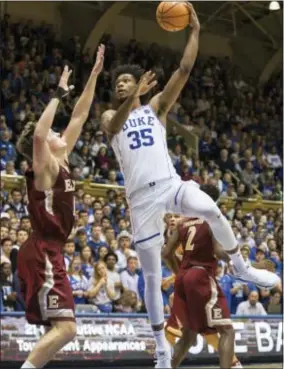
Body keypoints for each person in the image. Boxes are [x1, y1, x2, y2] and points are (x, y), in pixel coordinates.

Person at [101, 3, 279, 366]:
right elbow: (114, 126)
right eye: (117, 83)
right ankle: (160, 351)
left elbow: (184, 69)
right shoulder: (110, 115)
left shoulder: (156, 108)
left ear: (138, 84)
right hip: (141, 201)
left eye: (126, 80)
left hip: (169, 184)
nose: (120, 84)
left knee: (211, 209)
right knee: (151, 277)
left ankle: (242, 268)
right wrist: (132, 99)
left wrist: (195, 32)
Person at [15, 45, 105, 369]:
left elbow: (80, 114)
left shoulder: (61, 159)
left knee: (62, 327)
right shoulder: (44, 168)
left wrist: (94, 76)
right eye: (56, 132)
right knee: (66, 328)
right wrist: (58, 92)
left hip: (49, 250)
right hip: (42, 250)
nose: (58, 133)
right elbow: (39, 135)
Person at [162, 184, 241, 368]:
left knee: (189, 334)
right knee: (227, 330)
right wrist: (237, 258)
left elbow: (166, 253)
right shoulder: (211, 218)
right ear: (214, 200)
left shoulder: (184, 222)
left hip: (183, 278)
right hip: (201, 276)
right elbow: (218, 251)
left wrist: (179, 273)